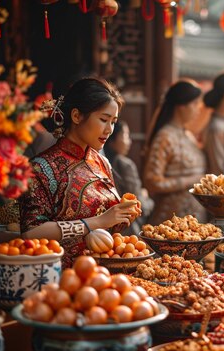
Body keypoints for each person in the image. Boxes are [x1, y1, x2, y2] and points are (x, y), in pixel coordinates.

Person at [20, 77, 141, 268]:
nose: (109, 130)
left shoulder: (101, 162)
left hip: (105, 273)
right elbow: (30, 232)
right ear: (76, 116)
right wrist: (99, 221)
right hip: (60, 275)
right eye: (103, 119)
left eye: (113, 122)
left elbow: (106, 226)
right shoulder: (41, 168)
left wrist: (122, 216)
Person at [143, 79, 207, 224]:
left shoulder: (188, 135)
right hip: (170, 221)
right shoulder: (165, 137)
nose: (198, 109)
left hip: (195, 221)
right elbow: (151, 181)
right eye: (195, 104)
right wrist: (191, 180)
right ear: (181, 105)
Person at [103, 120, 154, 234]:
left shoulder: (101, 163)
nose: (129, 141)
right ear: (112, 140)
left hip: (105, 229)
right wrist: (146, 197)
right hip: (127, 230)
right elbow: (141, 206)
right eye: (125, 136)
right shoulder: (125, 165)